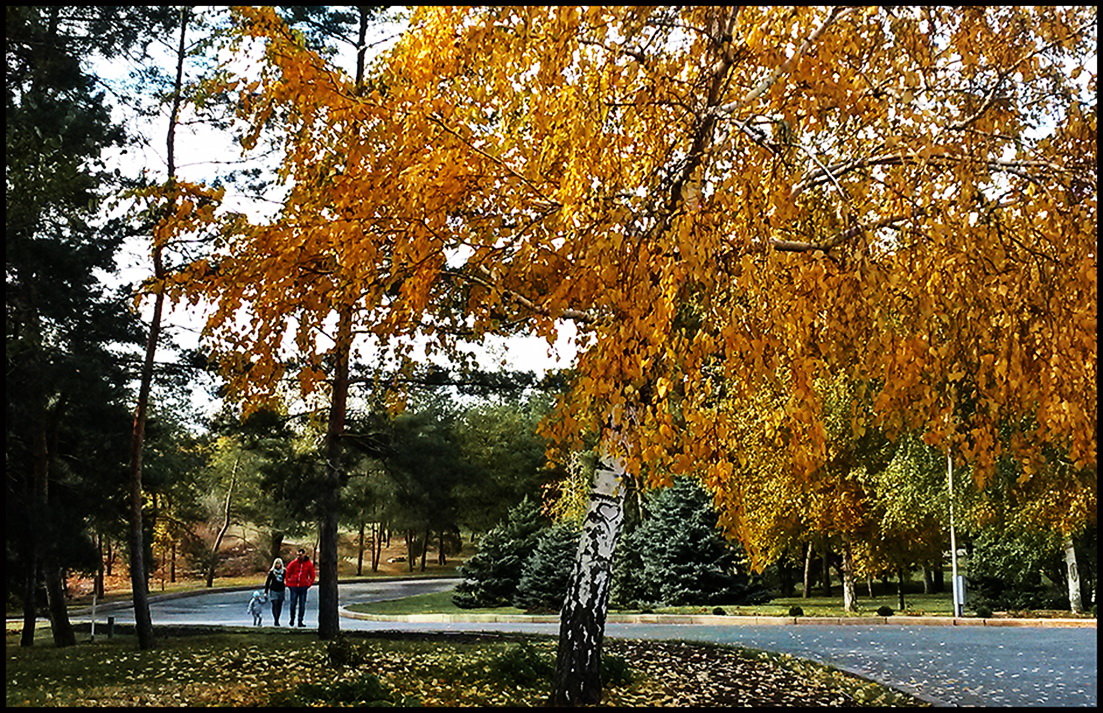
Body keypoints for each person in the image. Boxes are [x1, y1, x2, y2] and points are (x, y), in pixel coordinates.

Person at [285, 547, 316, 627]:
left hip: (303, 586)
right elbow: (288, 572)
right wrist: (288, 582)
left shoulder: (308, 564)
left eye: (301, 555)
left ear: (304, 555)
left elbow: (312, 575)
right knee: (293, 604)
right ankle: (292, 619)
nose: (299, 556)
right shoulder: (293, 563)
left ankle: (300, 620)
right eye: (298, 555)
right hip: (294, 586)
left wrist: (308, 584)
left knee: (302, 604)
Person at [264, 557, 287, 626]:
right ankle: (275, 619)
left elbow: (288, 578)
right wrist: (266, 592)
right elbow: (268, 582)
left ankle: (278, 618)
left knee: (279, 605)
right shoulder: (272, 572)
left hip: (281, 590)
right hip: (274, 590)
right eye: (277, 563)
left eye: (279, 563)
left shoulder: (284, 571)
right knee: (275, 604)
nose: (278, 565)